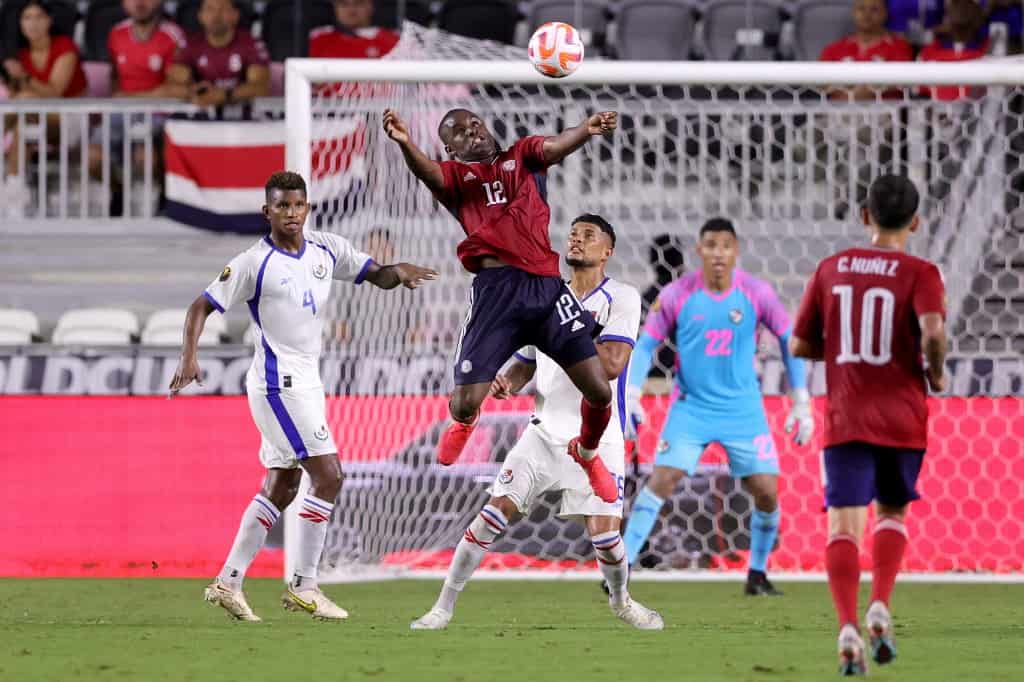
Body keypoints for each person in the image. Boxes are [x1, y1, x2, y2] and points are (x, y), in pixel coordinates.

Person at [169, 171, 437, 621]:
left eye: (298, 205)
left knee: (283, 484)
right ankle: (304, 585)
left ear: (307, 207)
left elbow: (374, 274)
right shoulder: (253, 263)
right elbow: (201, 305)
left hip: (306, 380)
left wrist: (399, 273)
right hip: (278, 383)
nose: (291, 213)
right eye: (282, 206)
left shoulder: (327, 248)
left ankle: (228, 581)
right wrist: (189, 357)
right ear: (267, 211)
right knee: (329, 477)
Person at [410, 214, 662, 630]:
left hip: (597, 435)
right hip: (544, 430)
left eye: (588, 236)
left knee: (604, 536)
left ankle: (621, 601)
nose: (577, 241)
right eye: (574, 235)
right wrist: (507, 379)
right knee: (492, 514)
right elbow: (527, 360)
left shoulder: (622, 297)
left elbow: (613, 365)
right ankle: (443, 607)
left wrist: (568, 330)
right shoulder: (546, 295)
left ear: (608, 250)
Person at [382, 107, 622, 504]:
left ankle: (587, 452)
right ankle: (465, 420)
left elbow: (555, 146)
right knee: (463, 403)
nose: (471, 131)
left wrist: (586, 129)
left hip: (547, 289)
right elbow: (429, 173)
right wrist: (407, 144)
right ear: (450, 149)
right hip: (496, 294)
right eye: (458, 132)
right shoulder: (458, 180)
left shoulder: (523, 156)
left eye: (473, 123)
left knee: (599, 391)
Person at [789, 175, 947, 676]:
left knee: (842, 526)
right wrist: (936, 370)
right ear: (916, 222)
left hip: (846, 414)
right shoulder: (922, 272)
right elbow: (934, 331)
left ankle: (847, 628)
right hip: (903, 415)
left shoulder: (831, 268)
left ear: (864, 216)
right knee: (892, 514)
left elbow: (798, 345)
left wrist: (838, 350)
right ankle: (881, 602)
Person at [622, 218, 813, 596]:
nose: (718, 253)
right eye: (711, 245)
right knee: (661, 480)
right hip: (691, 407)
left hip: (743, 410)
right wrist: (631, 393)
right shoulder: (678, 294)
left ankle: (757, 574)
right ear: (699, 250)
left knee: (766, 491)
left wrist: (801, 401)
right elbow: (645, 345)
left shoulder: (757, 293)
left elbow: (790, 339)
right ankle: (621, 567)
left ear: (736, 250)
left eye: (725, 245)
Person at [88, 0, 187, 214]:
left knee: (147, 159)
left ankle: (163, 198)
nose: (140, 3)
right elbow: (115, 78)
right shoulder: (116, 33)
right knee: (92, 157)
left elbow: (176, 88)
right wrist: (122, 100)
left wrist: (132, 97)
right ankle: (119, 191)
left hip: (160, 112)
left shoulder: (173, 35)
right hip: (122, 112)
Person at [1, 0, 88, 214]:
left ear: (49, 20)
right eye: (27, 18)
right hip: (30, 122)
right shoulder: (18, 55)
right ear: (20, 24)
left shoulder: (65, 46)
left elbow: (54, 92)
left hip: (69, 119)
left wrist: (22, 76)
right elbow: (14, 94)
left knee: (24, 103)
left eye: (39, 17)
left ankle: (12, 191)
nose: (33, 24)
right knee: (22, 128)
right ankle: (15, 196)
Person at [167, 0, 270, 120]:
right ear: (200, 15)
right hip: (200, 118)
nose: (216, 15)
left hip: (245, 120)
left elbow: (261, 88)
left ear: (235, 15)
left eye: (223, 9)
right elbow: (173, 85)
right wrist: (193, 91)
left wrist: (225, 94)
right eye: (210, 9)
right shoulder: (189, 44)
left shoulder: (251, 44)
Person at [919, 0, 990, 101]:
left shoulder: (990, 51)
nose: (961, 10)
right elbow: (921, 95)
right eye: (956, 4)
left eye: (968, 5)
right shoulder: (929, 52)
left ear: (978, 15)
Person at [640, 234, 685, 385]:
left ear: (652, 262)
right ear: (681, 260)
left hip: (650, 379)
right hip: (686, 380)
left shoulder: (646, 298)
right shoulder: (691, 295)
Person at [309, 0, 400, 59]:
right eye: (344, 4)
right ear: (335, 7)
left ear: (371, 6)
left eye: (359, 3)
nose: (351, 10)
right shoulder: (317, 38)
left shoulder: (393, 41)